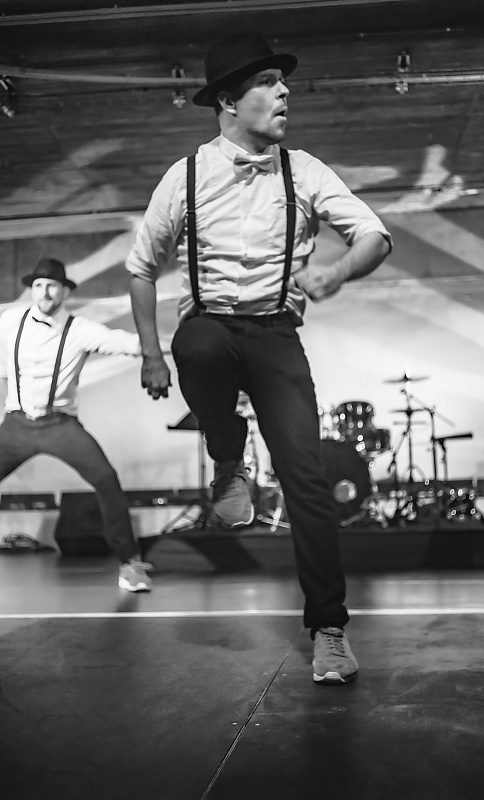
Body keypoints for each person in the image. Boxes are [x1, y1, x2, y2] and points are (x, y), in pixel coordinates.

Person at [126, 32, 392, 683]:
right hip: (210, 327)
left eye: (282, 81)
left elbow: (373, 235)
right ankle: (228, 456)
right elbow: (140, 269)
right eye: (268, 83)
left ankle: (329, 628)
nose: (284, 91)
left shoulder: (304, 171)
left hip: (275, 335)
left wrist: (336, 272)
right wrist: (151, 355)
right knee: (198, 342)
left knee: (306, 478)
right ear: (227, 100)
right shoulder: (185, 176)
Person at [0, 257, 152, 592]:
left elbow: (129, 344)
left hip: (60, 425)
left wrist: (173, 345)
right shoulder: (10, 322)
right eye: (39, 285)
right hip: (16, 425)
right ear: (32, 290)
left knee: (106, 479)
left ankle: (130, 564)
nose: (45, 292)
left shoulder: (80, 329)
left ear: (65, 291)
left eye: (52, 286)